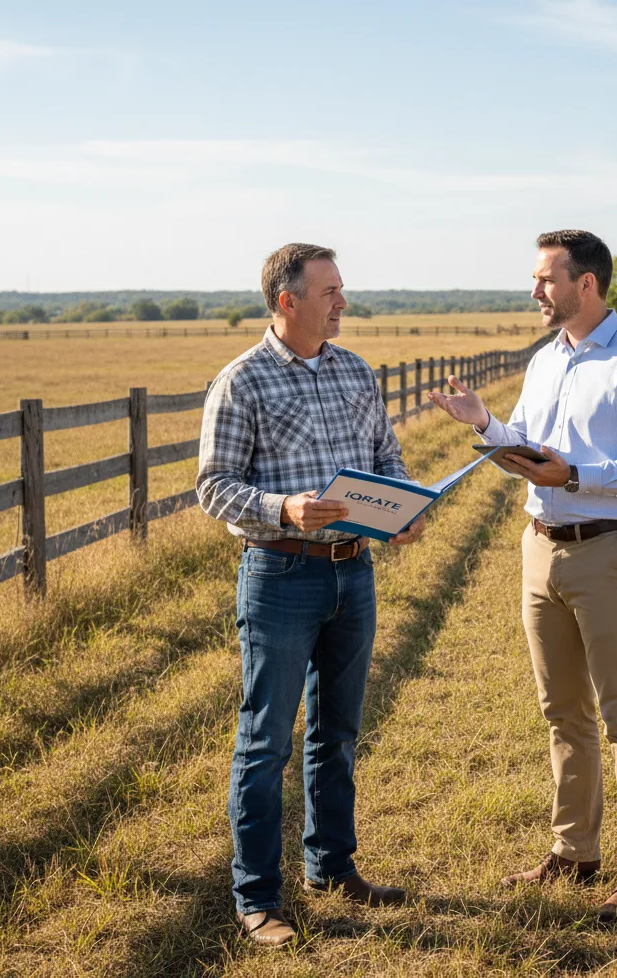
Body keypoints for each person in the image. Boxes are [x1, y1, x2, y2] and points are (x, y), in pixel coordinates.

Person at [428, 230, 617, 923]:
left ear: (584, 284)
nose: (534, 289)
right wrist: (487, 424)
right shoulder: (545, 361)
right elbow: (532, 449)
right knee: (562, 711)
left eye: (545, 278)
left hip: (610, 553)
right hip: (540, 550)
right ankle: (574, 852)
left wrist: (576, 475)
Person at [197, 242, 425, 948]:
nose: (342, 303)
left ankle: (332, 867)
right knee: (266, 741)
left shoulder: (355, 370)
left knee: (339, 732)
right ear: (287, 300)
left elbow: (386, 458)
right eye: (330, 292)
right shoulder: (241, 381)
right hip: (280, 576)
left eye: (341, 290)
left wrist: (402, 510)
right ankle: (257, 897)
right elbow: (213, 487)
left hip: (354, 572)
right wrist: (283, 508)